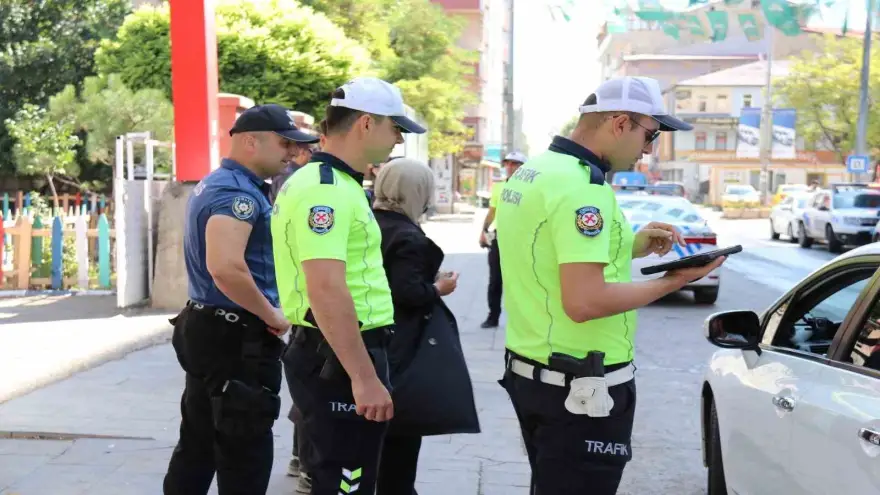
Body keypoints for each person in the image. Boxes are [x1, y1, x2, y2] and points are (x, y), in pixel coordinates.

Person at [494, 76, 727, 494]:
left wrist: (630, 246)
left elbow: (546, 254)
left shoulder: (535, 170)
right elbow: (584, 301)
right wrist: (675, 281)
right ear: (620, 123)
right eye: (650, 135)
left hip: (534, 371)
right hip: (580, 387)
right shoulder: (584, 188)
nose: (647, 150)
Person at [271, 76, 427, 495]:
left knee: (345, 476)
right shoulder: (327, 191)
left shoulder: (331, 183)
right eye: (395, 128)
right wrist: (363, 376)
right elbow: (326, 287)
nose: (397, 140)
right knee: (346, 482)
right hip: (338, 357)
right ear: (366, 124)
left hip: (333, 351)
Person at [163, 103, 319, 495]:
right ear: (251, 141)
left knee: (199, 443)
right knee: (243, 450)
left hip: (212, 326)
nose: (290, 152)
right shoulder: (237, 193)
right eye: (284, 143)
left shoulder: (222, 183)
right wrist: (274, 316)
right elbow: (227, 268)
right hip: (237, 337)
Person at [371, 157, 459, 494]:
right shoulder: (407, 235)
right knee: (400, 440)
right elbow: (406, 292)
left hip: (371, 339)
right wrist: (438, 288)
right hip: (400, 346)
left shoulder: (370, 221)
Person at [478, 151, 527, 329]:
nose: (510, 167)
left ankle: (522, 318)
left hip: (522, 238)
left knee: (520, 280)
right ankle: (493, 316)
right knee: (495, 279)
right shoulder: (498, 187)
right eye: (508, 163)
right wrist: (484, 231)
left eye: (515, 164)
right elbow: (492, 211)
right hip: (500, 236)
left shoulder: (530, 187)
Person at [269, 129, 319, 203]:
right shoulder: (290, 175)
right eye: (312, 151)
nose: (313, 155)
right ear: (303, 152)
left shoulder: (288, 171)